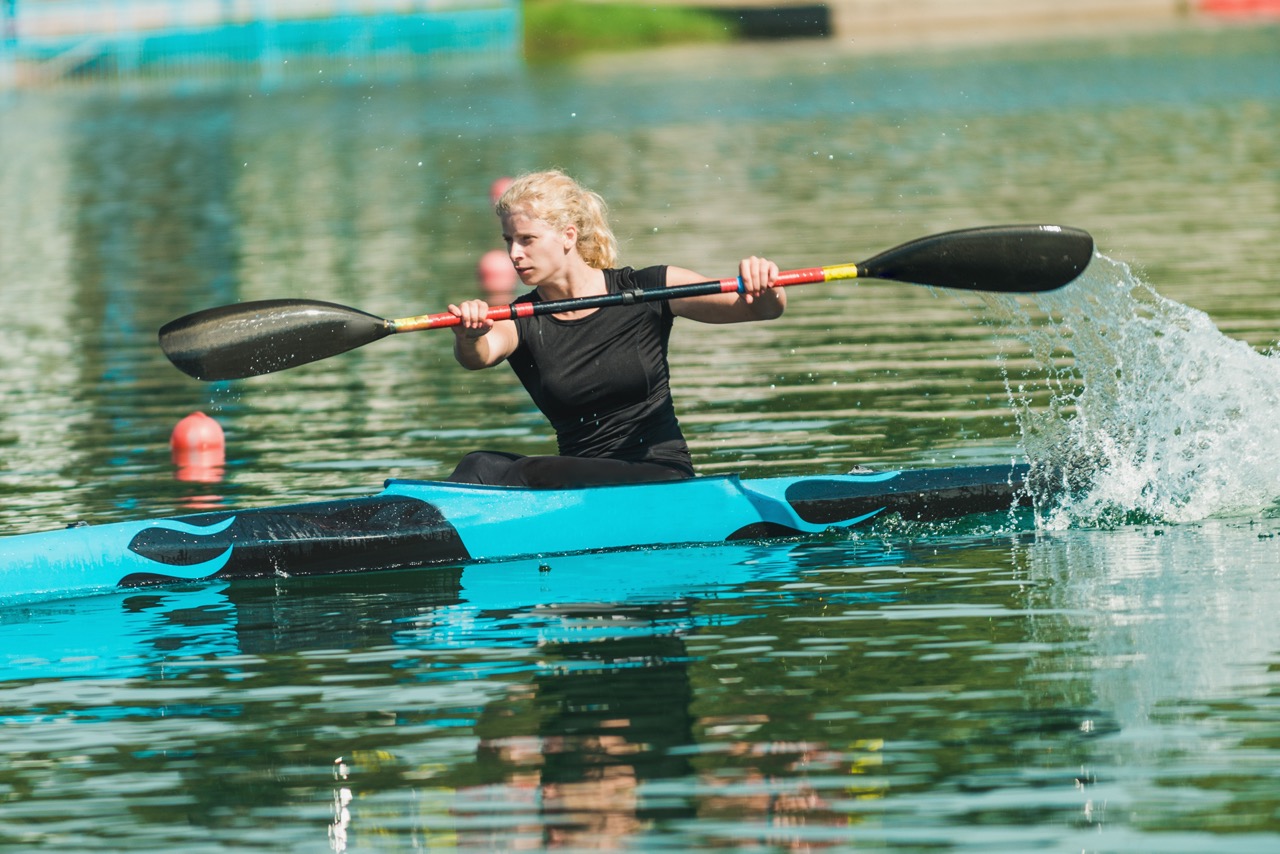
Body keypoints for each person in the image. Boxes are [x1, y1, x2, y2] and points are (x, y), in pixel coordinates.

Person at [446, 169, 784, 488]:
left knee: (530, 471)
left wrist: (766, 286)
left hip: (659, 476)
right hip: (576, 483)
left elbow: (758, 310)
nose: (514, 254)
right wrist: (469, 335)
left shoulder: (649, 288)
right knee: (478, 465)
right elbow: (479, 356)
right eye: (509, 240)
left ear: (568, 236)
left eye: (527, 239)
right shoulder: (521, 316)